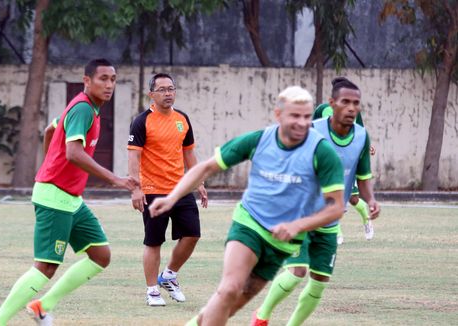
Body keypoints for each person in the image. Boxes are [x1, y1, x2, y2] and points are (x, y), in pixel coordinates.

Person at [148, 85, 346, 326]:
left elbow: (335, 207)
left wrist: (297, 226)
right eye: (295, 115)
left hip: (282, 242)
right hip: (249, 224)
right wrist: (172, 197)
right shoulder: (260, 140)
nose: (302, 122)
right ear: (278, 115)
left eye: (306, 116)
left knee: (228, 306)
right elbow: (207, 167)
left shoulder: (322, 151)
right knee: (229, 289)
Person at [0, 58, 137, 326]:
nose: (109, 84)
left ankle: (42, 306)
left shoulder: (88, 107)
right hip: (55, 196)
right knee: (45, 267)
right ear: (87, 81)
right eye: (103, 78)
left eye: (113, 79)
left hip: (71, 199)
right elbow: (73, 152)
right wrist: (115, 179)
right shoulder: (83, 109)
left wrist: (49, 162)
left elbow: (51, 129)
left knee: (100, 256)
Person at [251, 77, 380, 326]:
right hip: (300, 213)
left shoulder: (362, 137)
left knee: (320, 280)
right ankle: (261, 317)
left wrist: (371, 199)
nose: (351, 107)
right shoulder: (312, 130)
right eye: (345, 102)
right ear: (332, 103)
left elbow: (363, 176)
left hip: (331, 219)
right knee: (297, 272)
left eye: (356, 103)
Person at [127, 73, 208, 306]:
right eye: (162, 89)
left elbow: (189, 153)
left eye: (171, 88)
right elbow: (134, 157)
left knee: (192, 235)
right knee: (154, 241)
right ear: (151, 94)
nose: (168, 93)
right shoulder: (141, 121)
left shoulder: (182, 119)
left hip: (180, 190)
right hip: (153, 190)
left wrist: (199, 181)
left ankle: (169, 275)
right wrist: (136, 188)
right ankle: (152, 290)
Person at [313, 92, 376, 243]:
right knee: (330, 198)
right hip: (328, 165)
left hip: (347, 162)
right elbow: (312, 132)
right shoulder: (321, 110)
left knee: (353, 199)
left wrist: (367, 148)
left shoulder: (353, 113)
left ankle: (366, 220)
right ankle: (336, 232)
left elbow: (359, 134)